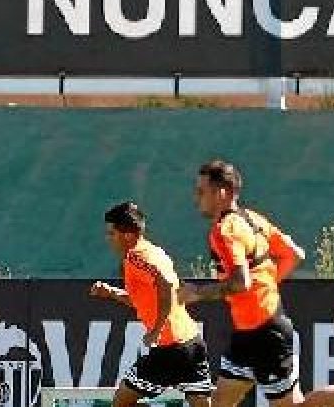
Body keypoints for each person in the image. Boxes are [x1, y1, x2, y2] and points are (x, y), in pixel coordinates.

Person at [180, 160, 307, 407]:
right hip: (247, 334)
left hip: (268, 334)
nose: (197, 198)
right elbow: (295, 254)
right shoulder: (253, 219)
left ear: (222, 193)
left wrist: (197, 293)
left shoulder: (224, 231)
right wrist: (267, 285)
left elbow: (240, 283)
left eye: (202, 192)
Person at [89, 201, 214, 407]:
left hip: (169, 348)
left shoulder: (135, 258)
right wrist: (112, 294)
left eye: (111, 233)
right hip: (191, 343)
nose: (108, 239)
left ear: (127, 235)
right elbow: (150, 300)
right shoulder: (154, 251)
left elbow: (165, 287)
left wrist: (156, 330)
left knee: (121, 403)